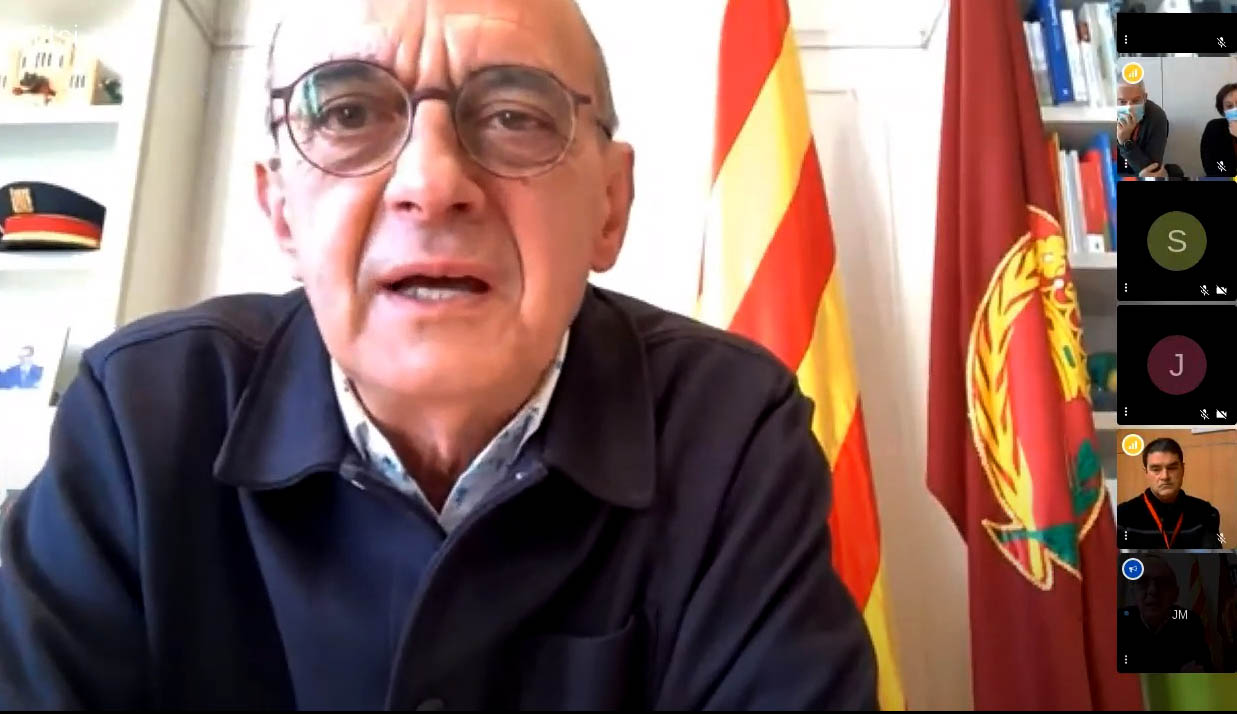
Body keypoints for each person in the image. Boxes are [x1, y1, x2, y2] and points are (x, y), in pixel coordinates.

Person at [0, 0, 877, 709]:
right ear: (281, 213)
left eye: (514, 117)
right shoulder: (139, 419)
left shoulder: (730, 431)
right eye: (347, 113)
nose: (431, 183)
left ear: (610, 206)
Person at [1117, 438, 1221, 550]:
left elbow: (1217, 551)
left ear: (1182, 469)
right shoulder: (1122, 516)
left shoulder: (1206, 513)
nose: (1165, 476)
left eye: (1172, 468)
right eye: (1156, 469)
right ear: (1146, 472)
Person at [1119, 554, 1215, 673]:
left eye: (1163, 583)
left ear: (1175, 594)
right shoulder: (1119, 621)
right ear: (1133, 593)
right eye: (1142, 582)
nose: (1153, 591)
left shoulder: (1190, 622)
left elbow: (1204, 670)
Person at [1117, 80, 1170, 177]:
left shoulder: (1156, 116)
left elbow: (1152, 170)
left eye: (1136, 101)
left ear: (1145, 98)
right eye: (1122, 102)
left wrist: (1125, 142)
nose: (1129, 108)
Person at [1200, 82, 1237, 178]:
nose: (1235, 109)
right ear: (1223, 111)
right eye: (1229, 106)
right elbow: (1215, 167)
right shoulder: (1215, 129)